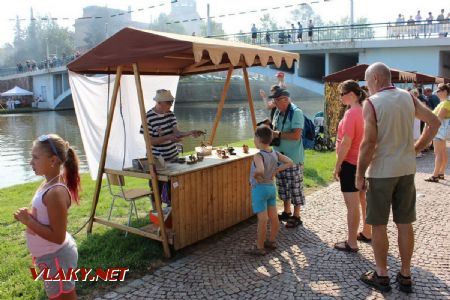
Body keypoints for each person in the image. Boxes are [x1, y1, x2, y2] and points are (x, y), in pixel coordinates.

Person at [357, 62, 439, 293]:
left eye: (367, 81)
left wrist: (359, 174)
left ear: (374, 80)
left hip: (382, 171)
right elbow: (434, 122)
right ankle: (405, 274)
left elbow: (368, 143)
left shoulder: (371, 103)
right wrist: (416, 148)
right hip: (406, 168)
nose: (367, 87)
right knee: (405, 223)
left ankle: (382, 274)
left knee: (379, 224)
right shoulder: (408, 97)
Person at [14, 134, 81, 300]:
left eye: (35, 157)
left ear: (52, 161)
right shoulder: (47, 184)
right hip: (50, 257)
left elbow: (58, 237)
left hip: (57, 257)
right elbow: (45, 217)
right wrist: (29, 217)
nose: (31, 162)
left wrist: (28, 220)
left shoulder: (56, 192)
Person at [139, 89, 204, 206]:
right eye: (169, 102)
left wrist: (190, 132)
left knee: (173, 186)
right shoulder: (147, 118)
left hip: (172, 156)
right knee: (156, 187)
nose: (171, 104)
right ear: (159, 103)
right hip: (156, 159)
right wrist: (168, 137)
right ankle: (156, 212)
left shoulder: (170, 114)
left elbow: (176, 132)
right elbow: (149, 141)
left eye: (171, 102)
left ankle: (172, 212)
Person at [333, 80, 371, 253]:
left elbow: (346, 142)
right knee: (363, 200)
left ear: (351, 94)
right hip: (364, 161)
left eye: (342, 93)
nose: (340, 97)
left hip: (350, 163)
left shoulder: (352, 113)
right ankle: (367, 232)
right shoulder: (365, 111)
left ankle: (351, 242)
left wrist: (338, 164)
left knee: (352, 205)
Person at [245, 126, 293, 255]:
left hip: (259, 189)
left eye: (255, 137)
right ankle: (271, 241)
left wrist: (256, 176)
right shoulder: (274, 153)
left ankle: (259, 247)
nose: (254, 139)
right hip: (271, 188)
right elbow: (290, 162)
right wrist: (276, 170)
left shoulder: (258, 155)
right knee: (273, 216)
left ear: (258, 139)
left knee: (263, 219)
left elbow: (259, 169)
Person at [270, 87, 306, 228]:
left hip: (293, 159)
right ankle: (286, 211)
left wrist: (277, 134)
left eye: (276, 100)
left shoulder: (296, 112)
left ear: (285, 99)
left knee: (295, 187)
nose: (274, 103)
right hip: (279, 156)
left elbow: (296, 135)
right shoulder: (278, 112)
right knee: (283, 186)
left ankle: (296, 216)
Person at [424, 83, 450, 182]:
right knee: (442, 152)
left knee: (438, 153)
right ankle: (441, 173)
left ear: (444, 91)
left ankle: (435, 175)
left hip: (439, 130)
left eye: (438, 90)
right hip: (440, 130)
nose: (437, 92)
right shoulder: (444, 102)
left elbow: (438, 119)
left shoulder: (446, 103)